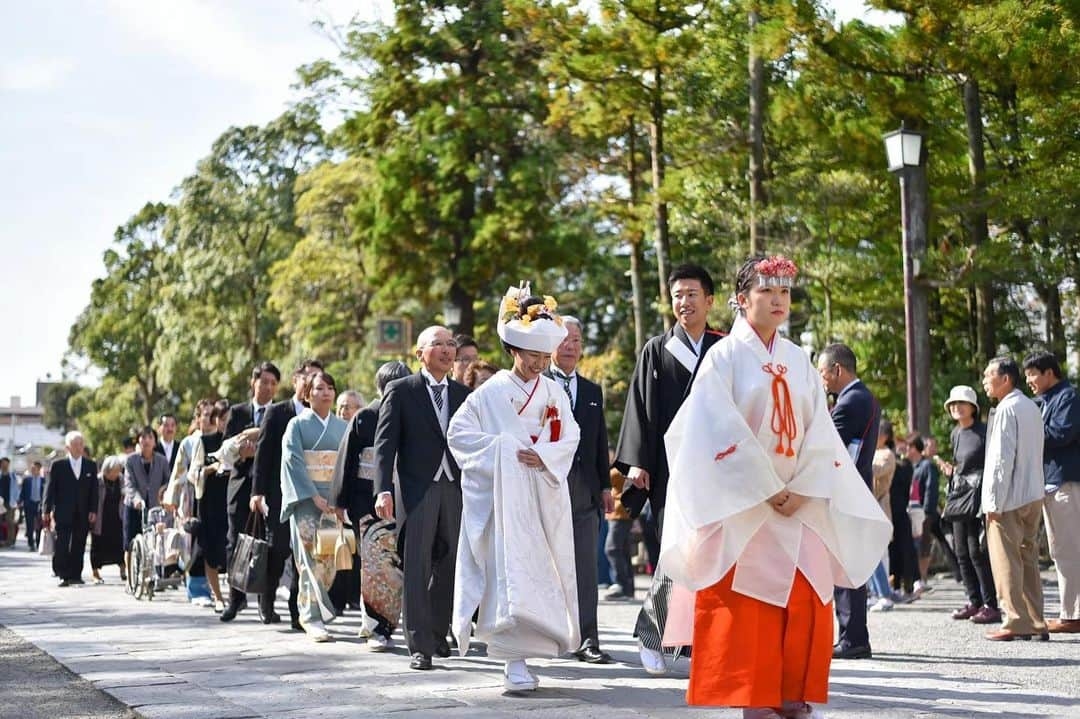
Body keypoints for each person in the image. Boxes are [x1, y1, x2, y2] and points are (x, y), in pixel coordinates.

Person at [659, 255, 889, 716]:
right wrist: (763, 486)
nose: (779, 301)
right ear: (742, 301)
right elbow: (711, 429)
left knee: (806, 598)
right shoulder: (722, 358)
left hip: (798, 501)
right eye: (768, 292)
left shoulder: (798, 359)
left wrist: (804, 486)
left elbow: (820, 429)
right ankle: (755, 698)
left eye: (784, 293)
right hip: (746, 504)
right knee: (751, 604)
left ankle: (791, 693)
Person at [449, 287, 581, 692]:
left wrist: (544, 454)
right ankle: (512, 659)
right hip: (504, 496)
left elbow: (570, 434)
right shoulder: (489, 393)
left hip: (542, 488)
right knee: (506, 571)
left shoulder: (553, 390)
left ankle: (542, 639)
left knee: (545, 568)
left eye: (546, 358)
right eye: (534, 357)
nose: (540, 365)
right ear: (514, 351)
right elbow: (459, 435)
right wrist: (503, 449)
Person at [614, 263, 725, 675]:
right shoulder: (657, 349)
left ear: (710, 300)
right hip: (670, 470)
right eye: (677, 295)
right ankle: (650, 633)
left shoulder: (725, 348)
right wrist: (637, 463)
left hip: (718, 470)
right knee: (674, 553)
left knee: (712, 559)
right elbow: (640, 408)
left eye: (692, 294)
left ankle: (696, 643)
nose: (684, 302)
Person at [374, 326, 468, 671]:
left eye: (450, 344)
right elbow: (385, 444)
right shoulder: (401, 391)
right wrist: (383, 489)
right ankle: (418, 645)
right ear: (420, 353)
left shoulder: (462, 392)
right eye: (438, 344)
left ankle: (436, 632)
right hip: (417, 490)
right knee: (417, 566)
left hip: (455, 488)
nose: (446, 350)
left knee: (451, 565)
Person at [544, 315, 615, 664]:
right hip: (546, 488)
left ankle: (589, 638)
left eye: (576, 340)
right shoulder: (537, 386)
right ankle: (551, 637)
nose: (570, 346)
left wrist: (605, 485)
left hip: (585, 491)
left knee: (586, 568)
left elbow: (600, 441)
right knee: (548, 567)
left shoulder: (591, 390)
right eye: (564, 339)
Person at [331, 360, 412, 649]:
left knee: (397, 566)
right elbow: (346, 460)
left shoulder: (412, 416)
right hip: (367, 500)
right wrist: (340, 501)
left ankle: (388, 623)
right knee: (375, 567)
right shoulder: (365, 417)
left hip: (403, 499)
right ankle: (378, 627)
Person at [816, 342, 882, 661]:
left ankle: (852, 637)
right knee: (851, 566)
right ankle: (854, 635)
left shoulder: (849, 403)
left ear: (837, 370)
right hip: (858, 490)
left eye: (823, 372)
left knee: (846, 569)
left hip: (846, 493)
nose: (821, 380)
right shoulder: (864, 397)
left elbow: (828, 448)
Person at [252, 359, 323, 629]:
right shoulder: (278, 412)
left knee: (302, 555)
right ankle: (266, 602)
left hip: (310, 495)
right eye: (308, 376)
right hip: (279, 493)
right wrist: (258, 492)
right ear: (296, 380)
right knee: (278, 550)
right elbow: (263, 454)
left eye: (318, 377)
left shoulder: (320, 415)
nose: (312, 381)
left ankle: (298, 610)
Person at [981, 356, 1047, 641]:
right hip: (1033, 492)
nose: (984, 381)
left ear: (1005, 379)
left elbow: (1000, 460)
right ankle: (1036, 619)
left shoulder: (1006, 409)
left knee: (1006, 558)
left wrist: (993, 502)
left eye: (988, 376)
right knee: (1028, 556)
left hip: (1009, 496)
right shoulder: (1032, 407)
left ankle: (1014, 619)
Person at [280, 370, 349, 642]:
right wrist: (313, 496)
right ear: (307, 394)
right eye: (319, 388)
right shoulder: (296, 425)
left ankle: (315, 611)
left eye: (330, 388)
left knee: (327, 561)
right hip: (308, 501)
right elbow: (293, 462)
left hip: (332, 501)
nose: (326, 393)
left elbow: (346, 465)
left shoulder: (342, 427)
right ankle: (311, 617)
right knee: (308, 560)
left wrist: (338, 498)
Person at [1022, 351, 1080, 633]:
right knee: (1060, 549)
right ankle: (1070, 611)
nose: (1029, 380)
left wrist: (1030, 431)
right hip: (1050, 483)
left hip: (1066, 483)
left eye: (1033, 373)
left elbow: (1062, 434)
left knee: (1069, 548)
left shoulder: (1067, 396)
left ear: (1049, 373)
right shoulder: (1041, 402)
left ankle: (1073, 615)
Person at [220, 361, 280, 622]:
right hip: (241, 485)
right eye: (263, 381)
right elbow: (224, 450)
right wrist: (240, 452)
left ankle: (266, 605)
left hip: (270, 487)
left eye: (273, 383)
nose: (268, 387)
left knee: (270, 545)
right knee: (235, 542)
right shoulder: (238, 411)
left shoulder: (279, 413)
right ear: (253, 383)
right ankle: (235, 600)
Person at [940, 386, 999, 624]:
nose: (956, 407)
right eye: (952, 404)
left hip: (978, 498)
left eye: (961, 403)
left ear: (973, 407)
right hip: (959, 497)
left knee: (977, 551)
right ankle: (973, 601)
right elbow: (960, 467)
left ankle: (990, 604)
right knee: (961, 552)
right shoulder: (955, 434)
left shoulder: (984, 432)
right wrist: (950, 472)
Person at [43, 432, 99, 586]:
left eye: (81, 444)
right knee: (62, 544)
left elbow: (94, 490)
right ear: (68, 447)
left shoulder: (91, 465)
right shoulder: (58, 466)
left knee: (79, 544)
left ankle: (76, 574)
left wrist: (93, 510)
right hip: (63, 511)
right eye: (75, 444)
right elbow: (50, 489)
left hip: (83, 512)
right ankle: (63, 574)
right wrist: (46, 510)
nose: (79, 447)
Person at [190, 402, 231, 612]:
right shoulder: (205, 442)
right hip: (209, 503)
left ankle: (236, 593)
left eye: (228, 419)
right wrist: (210, 469)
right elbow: (192, 473)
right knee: (211, 550)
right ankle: (217, 596)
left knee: (232, 548)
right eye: (222, 419)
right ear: (215, 420)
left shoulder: (237, 441)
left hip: (232, 500)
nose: (225, 423)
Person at [123, 426, 170, 578]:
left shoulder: (162, 461)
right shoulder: (131, 460)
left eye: (150, 437)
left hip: (154, 508)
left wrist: (164, 496)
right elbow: (129, 484)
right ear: (138, 441)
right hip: (134, 506)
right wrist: (136, 499)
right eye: (143, 437)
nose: (146, 441)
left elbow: (167, 481)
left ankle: (152, 575)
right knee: (130, 543)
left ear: (155, 442)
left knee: (154, 542)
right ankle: (131, 578)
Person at [868, 421, 897, 612]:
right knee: (867, 553)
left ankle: (884, 594)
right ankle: (874, 592)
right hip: (869, 505)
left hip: (879, 505)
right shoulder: (875, 453)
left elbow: (875, 471)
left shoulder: (887, 455)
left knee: (875, 553)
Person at [888, 433, 918, 599]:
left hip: (900, 510)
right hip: (892, 510)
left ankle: (907, 586)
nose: (902, 448)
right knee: (894, 550)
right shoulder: (898, 462)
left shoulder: (905, 465)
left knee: (904, 550)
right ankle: (895, 585)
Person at [605, 452, 635, 601]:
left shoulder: (622, 465)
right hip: (618, 512)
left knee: (612, 548)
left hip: (620, 512)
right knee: (622, 549)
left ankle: (620, 584)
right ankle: (627, 588)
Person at [90, 455, 126, 583]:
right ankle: (95, 572)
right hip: (101, 517)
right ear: (106, 470)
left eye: (118, 471)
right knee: (97, 545)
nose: (116, 474)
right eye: (114, 471)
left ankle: (123, 569)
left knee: (119, 544)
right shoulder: (98, 480)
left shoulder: (122, 480)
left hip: (117, 516)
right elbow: (92, 498)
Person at [19, 461, 45, 551]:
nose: (33, 470)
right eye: (32, 469)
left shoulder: (43, 480)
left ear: (39, 469)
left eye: (35, 469)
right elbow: (22, 493)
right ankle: (31, 543)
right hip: (29, 505)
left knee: (39, 525)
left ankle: (38, 543)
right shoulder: (27, 480)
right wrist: (20, 502)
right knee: (29, 525)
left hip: (39, 505)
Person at [0, 457, 18, 547]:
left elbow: (16, 489)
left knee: (9, 521)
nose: (5, 465)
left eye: (6, 463)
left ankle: (10, 541)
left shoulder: (12, 475)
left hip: (9, 502)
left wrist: (16, 501)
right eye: (3, 463)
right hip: (0, 502)